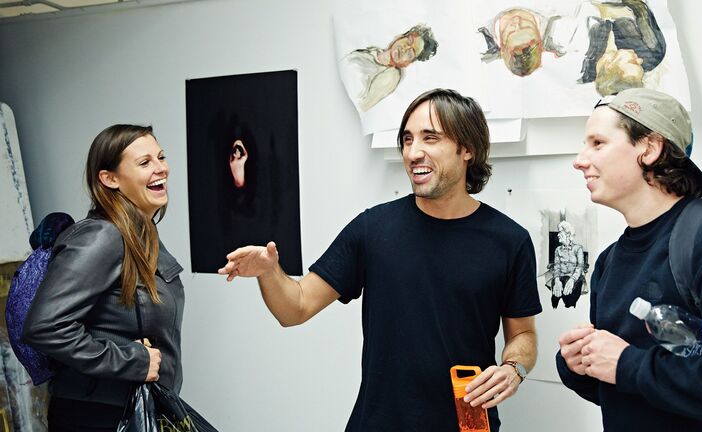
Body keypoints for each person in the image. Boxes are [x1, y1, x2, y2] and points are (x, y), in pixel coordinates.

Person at [219, 88, 541, 431]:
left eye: (430, 138)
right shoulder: (372, 229)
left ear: (467, 149)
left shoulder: (510, 241)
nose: (413, 152)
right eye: (407, 139)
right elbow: (295, 307)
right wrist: (269, 272)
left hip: (467, 424)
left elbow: (524, 335)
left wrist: (513, 370)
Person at [558, 88, 702, 431]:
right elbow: (632, 390)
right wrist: (579, 365)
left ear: (650, 149)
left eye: (598, 143)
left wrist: (626, 364)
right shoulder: (610, 262)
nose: (580, 160)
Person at [23, 124, 185, 431]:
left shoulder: (140, 233)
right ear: (109, 179)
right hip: (98, 416)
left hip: (133, 407)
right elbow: (44, 327)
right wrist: (132, 360)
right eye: (144, 163)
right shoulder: (102, 236)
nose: (161, 169)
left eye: (161, 157)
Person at [340, 24, 438, 112]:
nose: (404, 49)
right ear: (400, 37)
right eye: (409, 41)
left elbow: (361, 105)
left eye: (410, 53)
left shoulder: (391, 76)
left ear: (408, 63)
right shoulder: (373, 50)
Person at [546, 220, 587, 309]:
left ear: (568, 234)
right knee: (555, 298)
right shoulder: (558, 249)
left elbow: (580, 266)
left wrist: (572, 280)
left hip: (574, 277)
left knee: (570, 300)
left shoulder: (578, 248)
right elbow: (556, 266)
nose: (557, 235)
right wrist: (557, 280)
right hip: (560, 276)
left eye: (560, 232)